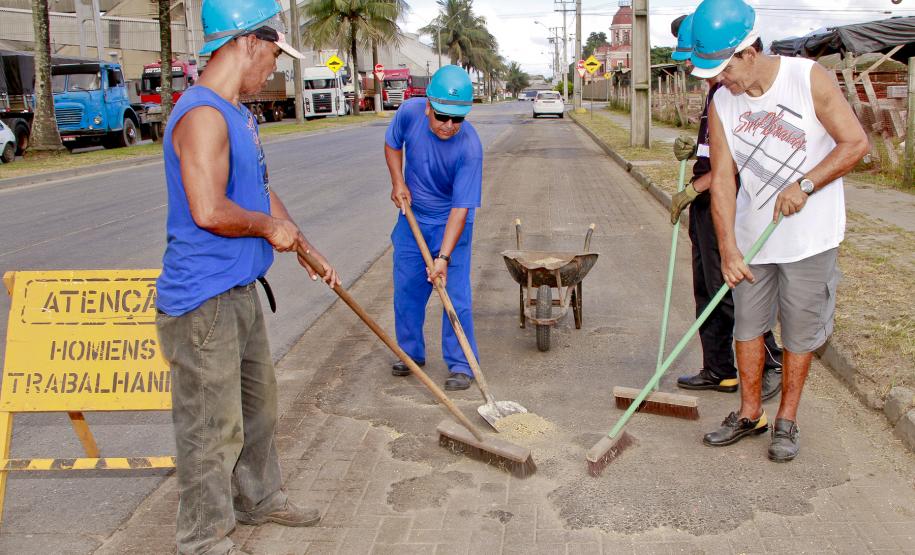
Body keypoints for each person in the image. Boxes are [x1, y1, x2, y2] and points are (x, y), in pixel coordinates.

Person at [154, 0, 340, 552]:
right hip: (202, 301)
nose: (275, 70)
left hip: (238, 291)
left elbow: (258, 194)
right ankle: (204, 539)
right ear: (248, 43)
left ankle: (257, 499)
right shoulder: (202, 115)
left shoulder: (238, 113)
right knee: (211, 429)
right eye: (274, 56)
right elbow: (209, 210)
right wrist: (267, 227)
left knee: (258, 410)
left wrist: (301, 243)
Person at [690, 0, 868, 461]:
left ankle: (786, 421)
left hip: (809, 239)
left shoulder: (806, 79)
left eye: (722, 68)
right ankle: (750, 414)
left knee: (799, 333)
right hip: (755, 240)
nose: (717, 79)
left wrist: (806, 184)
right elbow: (724, 181)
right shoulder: (724, 103)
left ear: (748, 52)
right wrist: (728, 247)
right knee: (748, 329)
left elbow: (855, 143)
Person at [667, 13, 784, 400]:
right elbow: (713, 148)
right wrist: (694, 148)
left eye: (692, 56)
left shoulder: (734, 91)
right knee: (706, 288)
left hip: (723, 200)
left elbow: (733, 162)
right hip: (704, 202)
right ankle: (719, 368)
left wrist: (695, 186)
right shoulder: (716, 91)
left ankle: (770, 363)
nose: (689, 66)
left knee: (730, 290)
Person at [384, 65, 483, 391]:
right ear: (428, 105)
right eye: (442, 117)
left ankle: (461, 364)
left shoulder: (470, 146)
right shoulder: (409, 113)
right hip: (412, 220)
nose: (449, 126)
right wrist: (398, 181)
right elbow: (392, 144)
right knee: (408, 292)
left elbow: (460, 208)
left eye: (458, 119)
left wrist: (442, 256)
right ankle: (410, 354)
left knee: (455, 297)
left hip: (451, 226)